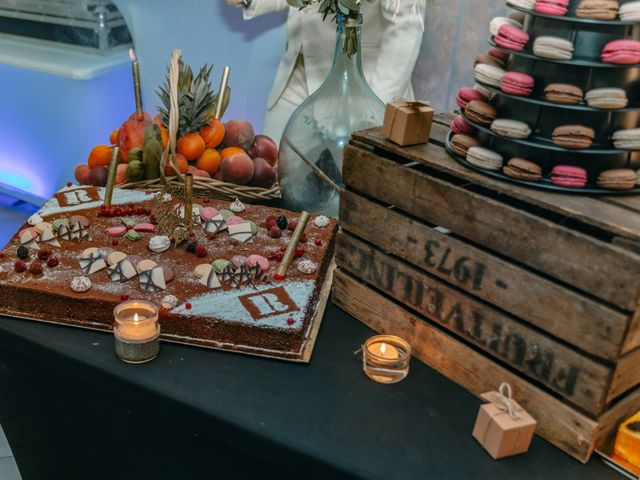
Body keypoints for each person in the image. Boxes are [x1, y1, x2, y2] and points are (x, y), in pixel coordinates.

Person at [226, 0, 425, 142]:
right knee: (269, 178)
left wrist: (374, 110)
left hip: (355, 91)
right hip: (292, 78)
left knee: (345, 192)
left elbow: (406, 27)